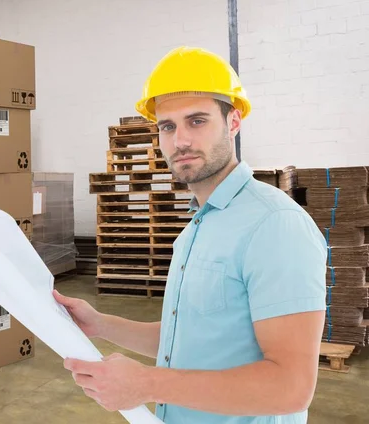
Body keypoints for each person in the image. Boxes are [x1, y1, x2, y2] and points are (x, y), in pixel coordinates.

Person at [54, 46, 328, 423]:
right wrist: (99, 324)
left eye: (196, 121)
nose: (179, 140)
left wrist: (148, 384)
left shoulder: (275, 225)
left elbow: (291, 387)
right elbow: (189, 340)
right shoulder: (198, 226)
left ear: (233, 121)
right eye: (167, 126)